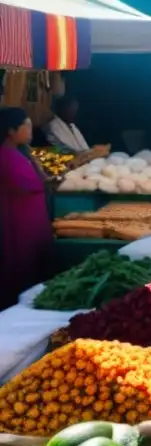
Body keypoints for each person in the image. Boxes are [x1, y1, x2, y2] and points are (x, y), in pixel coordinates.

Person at [0, 108, 52, 308]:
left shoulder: (20, 153)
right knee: (21, 271)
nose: (31, 129)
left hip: (32, 225)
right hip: (17, 227)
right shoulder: (5, 158)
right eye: (26, 125)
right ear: (11, 131)